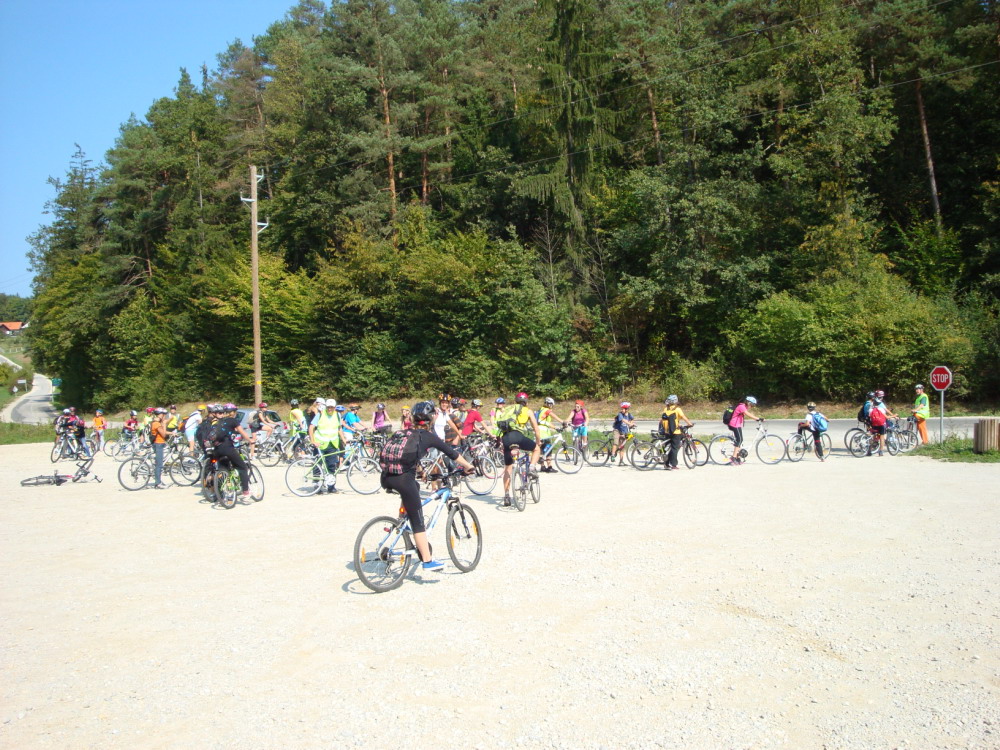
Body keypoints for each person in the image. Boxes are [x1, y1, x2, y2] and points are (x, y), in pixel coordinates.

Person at [379, 400, 475, 572]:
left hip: (386, 477)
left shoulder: (402, 433)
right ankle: (428, 561)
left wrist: (421, 471)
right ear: (431, 419)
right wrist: (468, 466)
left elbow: (408, 457)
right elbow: (452, 453)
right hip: (403, 480)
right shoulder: (429, 436)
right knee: (418, 521)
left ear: (413, 419)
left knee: (414, 488)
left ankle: (401, 520)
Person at [495, 392, 543, 506]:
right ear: (526, 402)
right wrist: (538, 441)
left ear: (516, 401)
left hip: (506, 438)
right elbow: (536, 429)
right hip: (518, 436)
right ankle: (531, 468)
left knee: (508, 467)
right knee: (536, 449)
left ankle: (507, 495)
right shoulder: (528, 411)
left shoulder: (508, 409)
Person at [211, 404, 256, 498]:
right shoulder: (233, 420)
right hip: (227, 448)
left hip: (216, 450)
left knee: (224, 470)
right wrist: (250, 440)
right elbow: (242, 432)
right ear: (233, 412)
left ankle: (220, 494)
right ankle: (245, 492)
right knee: (242, 467)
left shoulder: (219, 421)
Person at [309, 399, 348, 493]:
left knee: (331, 465)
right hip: (320, 444)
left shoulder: (337, 415)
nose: (330, 409)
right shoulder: (320, 414)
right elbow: (311, 427)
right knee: (318, 465)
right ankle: (317, 485)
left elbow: (339, 428)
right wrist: (313, 441)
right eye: (328, 407)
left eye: (332, 407)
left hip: (332, 443)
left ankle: (331, 486)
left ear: (335, 407)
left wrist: (343, 439)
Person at [660, 395, 694, 470]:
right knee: (674, 448)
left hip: (667, 431)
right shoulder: (677, 409)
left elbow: (666, 420)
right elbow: (684, 417)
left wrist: (678, 424)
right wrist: (690, 424)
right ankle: (674, 465)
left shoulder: (666, 409)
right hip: (675, 431)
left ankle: (666, 464)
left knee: (667, 449)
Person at [728, 396, 762, 465]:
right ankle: (733, 457)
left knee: (740, 440)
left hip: (737, 424)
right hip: (734, 424)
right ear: (748, 403)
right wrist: (758, 418)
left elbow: (746, 414)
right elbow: (748, 414)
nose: (752, 407)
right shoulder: (742, 407)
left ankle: (737, 458)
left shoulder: (744, 407)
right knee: (739, 440)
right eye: (752, 405)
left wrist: (756, 419)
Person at [537, 397, 565, 472]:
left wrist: (555, 428)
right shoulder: (546, 410)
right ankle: (549, 467)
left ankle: (542, 467)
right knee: (548, 447)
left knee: (542, 448)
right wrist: (562, 422)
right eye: (551, 404)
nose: (551, 406)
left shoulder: (541, 409)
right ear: (548, 404)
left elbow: (547, 423)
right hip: (544, 432)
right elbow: (553, 416)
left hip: (539, 431)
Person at [869, 390, 898, 456]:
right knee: (882, 437)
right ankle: (881, 451)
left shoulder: (871, 405)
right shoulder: (881, 406)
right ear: (881, 397)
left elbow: (869, 414)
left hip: (874, 423)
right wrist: (894, 416)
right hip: (881, 423)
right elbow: (886, 416)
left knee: (874, 437)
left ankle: (869, 450)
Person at [150, 407, 169, 489]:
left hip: (158, 443)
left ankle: (159, 480)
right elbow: (163, 434)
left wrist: (172, 433)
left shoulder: (156, 422)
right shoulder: (157, 424)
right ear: (160, 415)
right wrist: (164, 424)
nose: (165, 416)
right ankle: (158, 483)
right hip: (158, 444)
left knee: (158, 463)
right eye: (164, 415)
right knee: (159, 465)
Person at [610, 401, 635, 466]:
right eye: (621, 409)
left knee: (622, 446)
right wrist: (629, 423)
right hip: (617, 430)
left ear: (627, 409)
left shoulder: (629, 415)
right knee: (616, 443)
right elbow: (623, 420)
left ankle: (621, 461)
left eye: (623, 409)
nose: (622, 410)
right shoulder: (620, 414)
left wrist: (632, 424)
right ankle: (612, 455)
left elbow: (632, 420)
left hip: (624, 432)